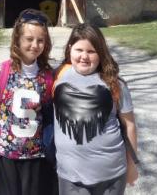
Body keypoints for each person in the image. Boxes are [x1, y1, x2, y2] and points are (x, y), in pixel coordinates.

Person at [0, 9, 57, 195]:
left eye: (40, 40)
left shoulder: (48, 76)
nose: (35, 45)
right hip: (6, 160)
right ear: (17, 40)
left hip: (38, 160)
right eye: (29, 39)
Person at [53, 23, 139, 195]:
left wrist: (132, 166)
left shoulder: (114, 83)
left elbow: (129, 125)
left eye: (91, 51)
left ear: (101, 52)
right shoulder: (57, 76)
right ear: (70, 49)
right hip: (70, 177)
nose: (84, 56)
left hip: (112, 176)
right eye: (79, 50)